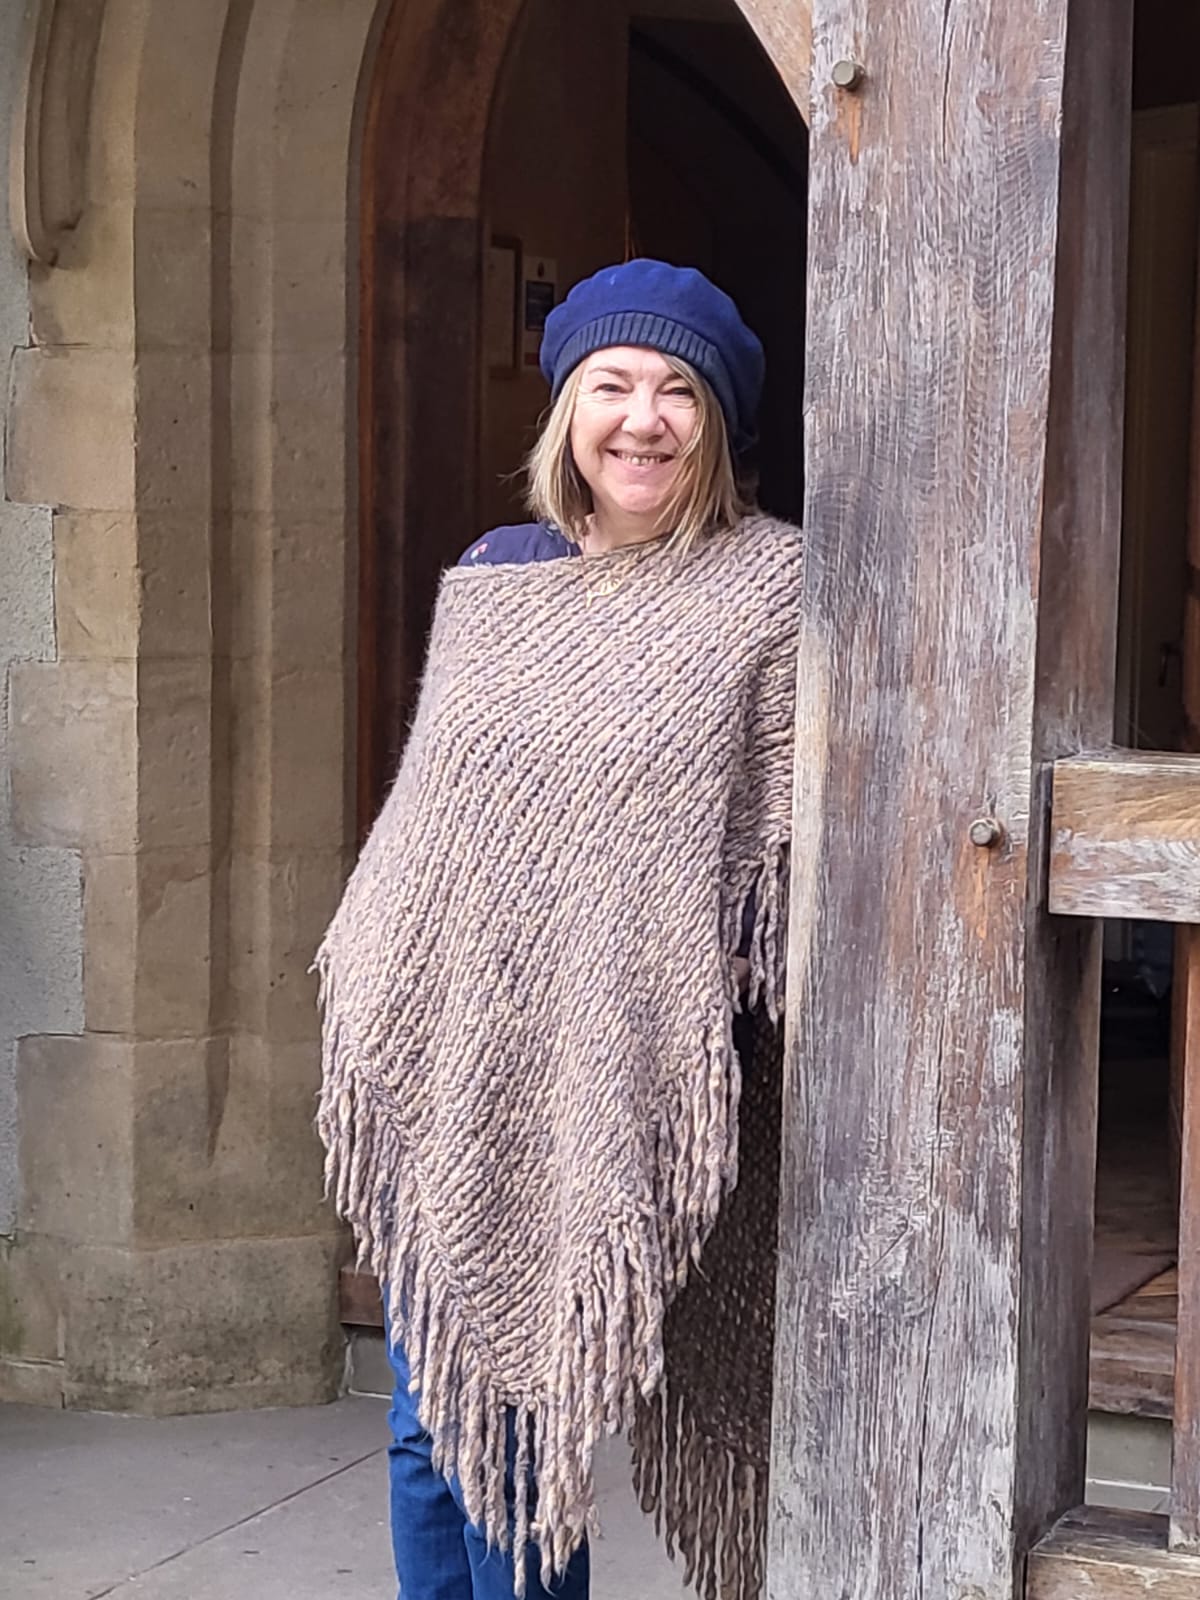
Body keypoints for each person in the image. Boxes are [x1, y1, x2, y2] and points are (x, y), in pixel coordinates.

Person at [315, 259, 802, 1600]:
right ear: (566, 409)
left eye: (676, 391)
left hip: (620, 1062)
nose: (642, 419)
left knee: (524, 1439)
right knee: (429, 1435)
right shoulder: (495, 578)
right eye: (613, 384)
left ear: (718, 422)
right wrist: (392, 997)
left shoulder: (771, 592)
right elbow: (435, 839)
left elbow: (786, 832)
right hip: (461, 1060)